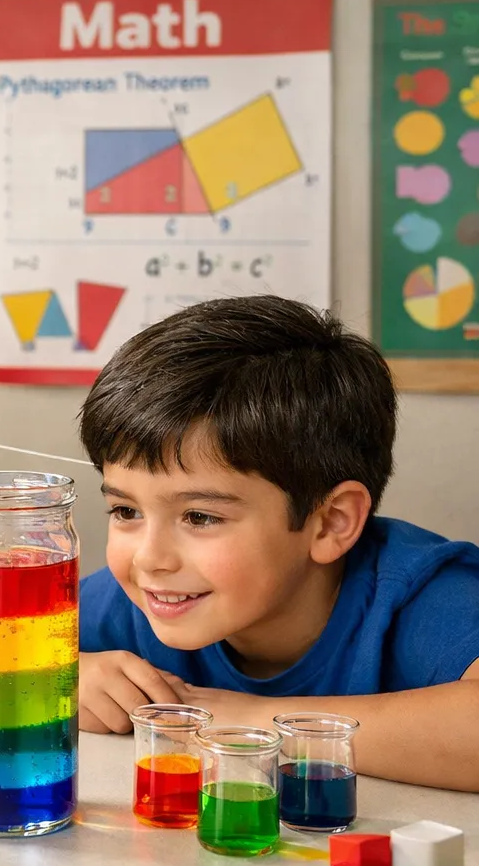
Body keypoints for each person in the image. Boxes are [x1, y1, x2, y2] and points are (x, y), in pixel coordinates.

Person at [77, 295, 479, 791]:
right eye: (126, 511)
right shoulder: (138, 598)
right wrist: (67, 675)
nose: (149, 559)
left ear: (330, 523)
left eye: (200, 516)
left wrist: (253, 718)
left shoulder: (421, 594)